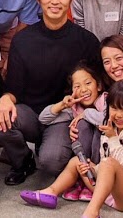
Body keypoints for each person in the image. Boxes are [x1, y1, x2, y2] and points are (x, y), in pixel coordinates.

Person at [0, 0, 101, 185]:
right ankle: (23, 160)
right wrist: (4, 99)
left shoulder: (87, 41)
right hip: (31, 115)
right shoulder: (23, 40)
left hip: (64, 118)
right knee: (0, 120)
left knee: (52, 162)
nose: (55, 1)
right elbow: (13, 88)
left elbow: (96, 88)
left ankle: (49, 146)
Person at [19, 79, 123, 218]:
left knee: (108, 163)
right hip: (110, 193)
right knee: (78, 161)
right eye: (114, 108)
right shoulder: (109, 128)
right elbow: (106, 164)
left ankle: (92, 212)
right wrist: (91, 170)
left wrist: (112, 138)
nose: (118, 115)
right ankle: (51, 192)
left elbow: (122, 165)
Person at [40, 63, 107, 201]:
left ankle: (92, 179)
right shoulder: (74, 108)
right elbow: (43, 118)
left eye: (88, 83)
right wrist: (63, 105)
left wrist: (86, 114)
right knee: (81, 126)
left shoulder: (106, 100)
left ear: (99, 85)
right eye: (77, 86)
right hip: (81, 160)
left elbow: (106, 120)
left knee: (88, 124)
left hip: (102, 161)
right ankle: (81, 181)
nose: (83, 89)